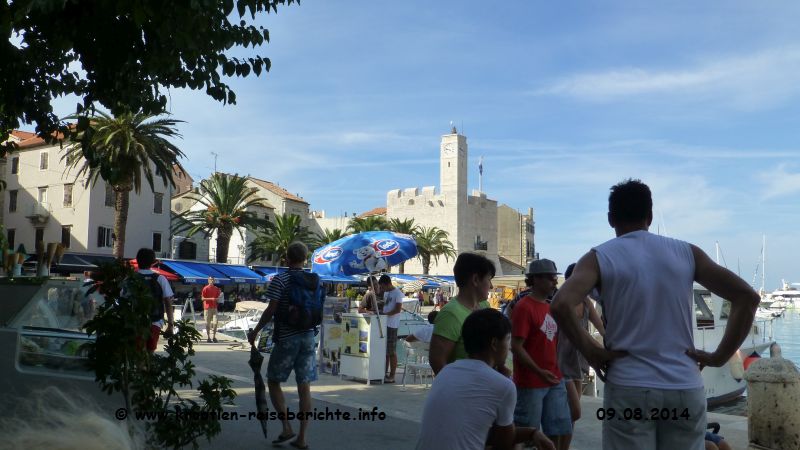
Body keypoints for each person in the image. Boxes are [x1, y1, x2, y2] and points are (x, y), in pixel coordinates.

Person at [551, 179, 760, 450]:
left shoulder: (598, 257)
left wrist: (591, 351)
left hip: (629, 388)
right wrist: (718, 357)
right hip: (684, 389)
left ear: (610, 218)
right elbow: (748, 297)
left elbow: (560, 304)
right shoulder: (687, 253)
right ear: (649, 216)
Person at [416, 308, 555, 450]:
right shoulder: (503, 386)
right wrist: (532, 433)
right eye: (508, 340)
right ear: (494, 344)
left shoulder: (446, 372)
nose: (510, 347)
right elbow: (504, 442)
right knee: (516, 447)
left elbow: (474, 430)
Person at [248, 242, 322, 450]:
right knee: (304, 386)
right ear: (305, 259)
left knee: (273, 381)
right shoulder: (316, 280)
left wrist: (256, 331)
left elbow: (271, 309)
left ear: (287, 259)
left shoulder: (280, 280)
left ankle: (286, 426)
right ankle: (302, 438)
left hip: (288, 338)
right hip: (309, 337)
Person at [511, 258, 572, 450]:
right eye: (550, 277)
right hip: (530, 383)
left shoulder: (549, 306)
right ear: (535, 279)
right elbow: (516, 346)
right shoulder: (523, 307)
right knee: (528, 435)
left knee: (558, 430)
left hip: (554, 378)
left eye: (554, 277)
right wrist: (538, 371)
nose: (555, 281)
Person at [556, 262, 605, 448]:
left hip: (579, 359)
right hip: (561, 360)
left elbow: (599, 326)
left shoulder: (585, 301)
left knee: (571, 413)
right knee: (575, 411)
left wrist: (610, 340)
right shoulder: (562, 302)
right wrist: (601, 352)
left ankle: (562, 447)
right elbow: (580, 333)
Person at [429, 252, 496, 375]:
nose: (491, 286)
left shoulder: (484, 306)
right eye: (489, 279)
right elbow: (437, 361)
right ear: (475, 280)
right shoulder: (450, 314)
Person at [133, 248, 174, 353]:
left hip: (135, 322)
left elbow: (122, 300)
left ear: (137, 260)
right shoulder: (160, 279)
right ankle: (148, 369)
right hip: (155, 321)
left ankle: (140, 368)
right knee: (150, 352)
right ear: (153, 262)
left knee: (138, 352)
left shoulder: (131, 279)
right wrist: (170, 324)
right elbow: (168, 303)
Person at [379, 274, 404, 383]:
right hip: (384, 323)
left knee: (391, 351)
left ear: (387, 283)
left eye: (382, 286)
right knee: (385, 351)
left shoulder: (397, 293)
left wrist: (386, 315)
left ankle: (392, 375)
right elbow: (386, 306)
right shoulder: (386, 293)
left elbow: (398, 309)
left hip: (392, 325)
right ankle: (383, 373)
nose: (382, 289)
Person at [201, 276, 221, 343]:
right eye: (210, 279)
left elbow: (218, 297)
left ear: (214, 280)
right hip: (207, 308)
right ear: (208, 280)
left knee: (215, 323)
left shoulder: (216, 288)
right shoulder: (205, 288)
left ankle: (214, 337)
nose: (212, 280)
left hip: (214, 308)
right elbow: (202, 299)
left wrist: (218, 299)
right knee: (207, 323)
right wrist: (211, 299)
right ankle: (208, 337)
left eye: (213, 279)